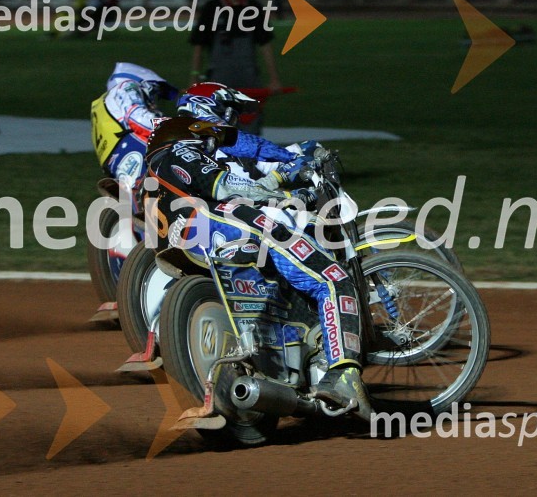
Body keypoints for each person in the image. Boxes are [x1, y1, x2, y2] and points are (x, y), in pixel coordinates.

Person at [145, 83, 372, 420]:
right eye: (227, 116)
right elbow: (227, 186)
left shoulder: (158, 168)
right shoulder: (182, 147)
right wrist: (283, 184)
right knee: (333, 279)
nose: (230, 125)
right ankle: (344, 376)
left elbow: (247, 148)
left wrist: (286, 165)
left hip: (195, 244)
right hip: (231, 226)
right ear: (206, 112)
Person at [188, 0, 281, 134]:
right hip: (219, 75)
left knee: (251, 124)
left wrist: (274, 78)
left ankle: (248, 161)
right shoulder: (212, 8)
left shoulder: (254, 8)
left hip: (249, 74)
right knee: (219, 125)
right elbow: (199, 45)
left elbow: (265, 45)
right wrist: (194, 76)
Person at [90, 62, 178, 189]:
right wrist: (179, 127)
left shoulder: (105, 108)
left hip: (117, 162)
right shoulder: (126, 86)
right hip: (135, 150)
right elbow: (137, 118)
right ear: (146, 82)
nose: (155, 103)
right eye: (156, 93)